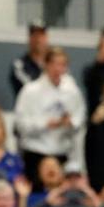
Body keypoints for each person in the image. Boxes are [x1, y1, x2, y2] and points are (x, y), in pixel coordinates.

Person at [14, 47, 85, 186]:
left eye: (62, 64)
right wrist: (45, 124)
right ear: (46, 65)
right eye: (54, 64)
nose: (58, 69)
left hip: (62, 153)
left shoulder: (72, 91)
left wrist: (70, 123)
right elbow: (21, 125)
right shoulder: (30, 91)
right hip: (36, 152)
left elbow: (80, 120)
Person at [10, 21, 49, 97]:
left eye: (41, 35)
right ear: (29, 38)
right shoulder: (19, 65)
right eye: (35, 35)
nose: (38, 39)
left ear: (46, 38)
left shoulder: (53, 64)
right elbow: (29, 89)